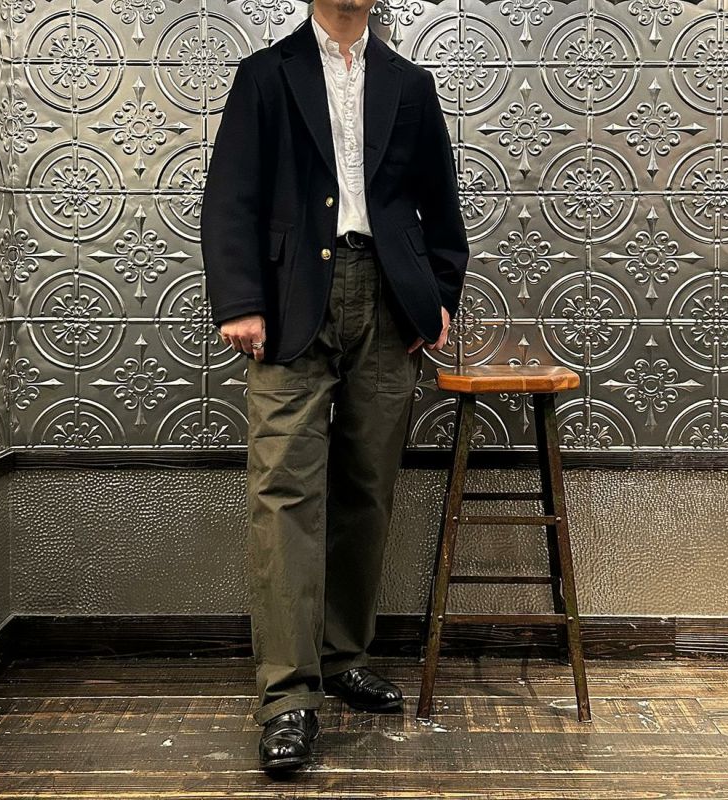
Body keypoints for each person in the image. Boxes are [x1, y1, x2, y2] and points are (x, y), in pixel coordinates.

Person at [200, 0, 469, 773]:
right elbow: (231, 196)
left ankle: (342, 654)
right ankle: (288, 697)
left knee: (367, 487)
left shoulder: (410, 84)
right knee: (284, 492)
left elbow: (440, 203)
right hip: (291, 304)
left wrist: (436, 295)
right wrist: (240, 300)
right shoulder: (264, 76)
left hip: (387, 304)